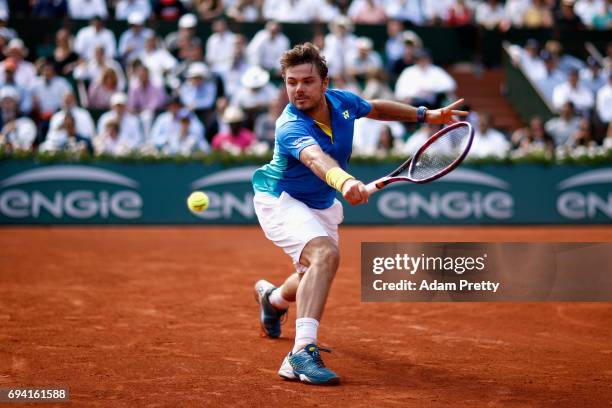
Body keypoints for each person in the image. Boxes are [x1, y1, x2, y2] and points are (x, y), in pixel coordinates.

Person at [251, 43, 466, 385]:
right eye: (291, 82)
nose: (298, 89)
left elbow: (376, 108)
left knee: (312, 270)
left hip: (320, 203)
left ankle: (273, 299)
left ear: (325, 83)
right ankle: (300, 353)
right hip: (281, 199)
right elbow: (315, 159)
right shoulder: (289, 125)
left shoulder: (341, 101)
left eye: (307, 81)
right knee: (325, 255)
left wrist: (426, 115)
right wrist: (345, 181)